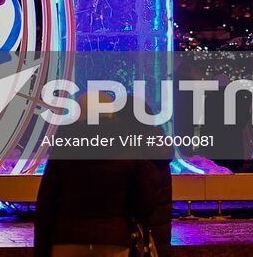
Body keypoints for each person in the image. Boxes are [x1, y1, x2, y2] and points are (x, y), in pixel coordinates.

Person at [34, 95, 172, 257]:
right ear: (112, 114)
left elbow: (47, 203)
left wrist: (42, 249)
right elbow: (142, 202)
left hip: (68, 237)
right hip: (114, 239)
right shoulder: (128, 148)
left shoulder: (64, 148)